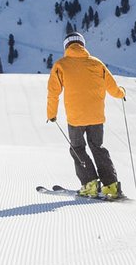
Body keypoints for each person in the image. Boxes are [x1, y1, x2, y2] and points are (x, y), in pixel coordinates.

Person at [46, 31, 126, 199]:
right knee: (98, 148)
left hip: (76, 118)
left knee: (77, 149)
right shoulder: (97, 63)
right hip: (96, 117)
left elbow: (53, 92)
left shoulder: (61, 65)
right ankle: (111, 186)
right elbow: (112, 87)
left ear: (66, 46)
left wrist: (51, 114)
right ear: (82, 44)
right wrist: (121, 93)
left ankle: (90, 184)